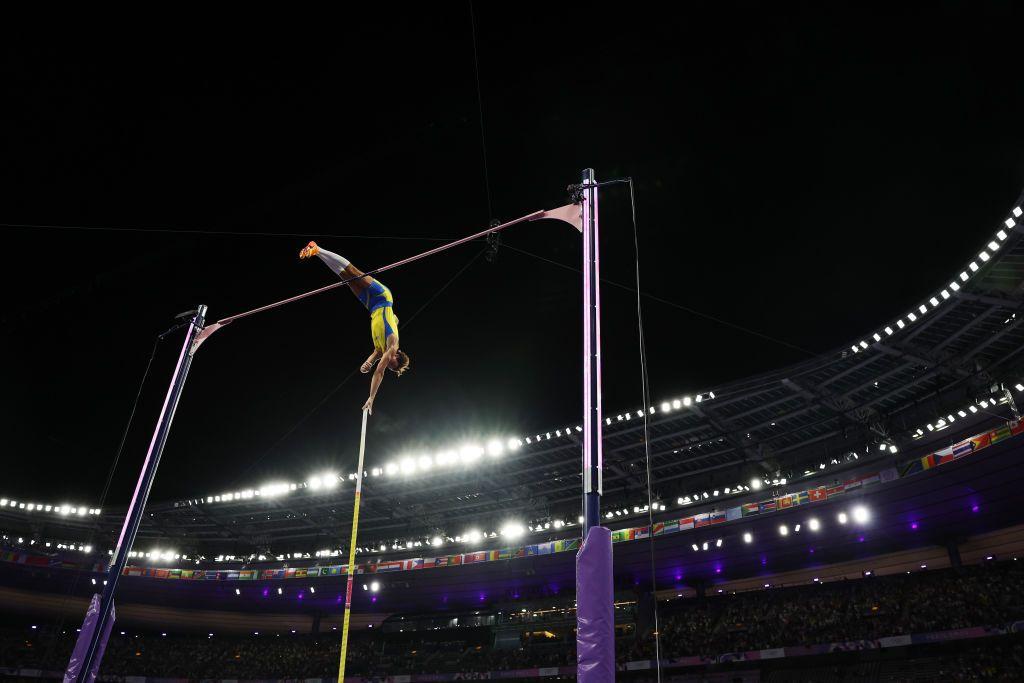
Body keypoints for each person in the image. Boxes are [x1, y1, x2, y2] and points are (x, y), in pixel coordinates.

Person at [299, 241, 410, 414]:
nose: (389, 366)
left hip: (371, 306)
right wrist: (372, 397)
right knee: (354, 272)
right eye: (393, 365)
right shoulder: (392, 345)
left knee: (346, 278)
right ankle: (319, 248)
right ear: (397, 356)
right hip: (382, 297)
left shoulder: (382, 350)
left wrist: (367, 363)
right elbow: (378, 373)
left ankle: (316, 252)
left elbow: (376, 355)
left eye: (391, 369)